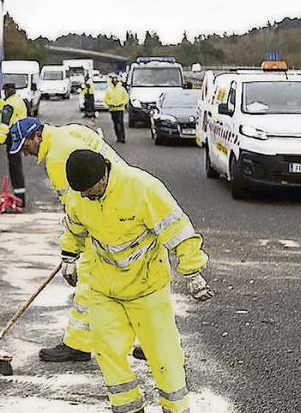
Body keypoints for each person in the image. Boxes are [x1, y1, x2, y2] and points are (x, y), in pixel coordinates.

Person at [60, 149, 214, 413]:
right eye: (80, 192)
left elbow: (177, 229)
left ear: (103, 176)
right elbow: (75, 227)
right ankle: (128, 408)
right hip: (103, 287)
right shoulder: (79, 196)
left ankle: (176, 408)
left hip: (146, 288)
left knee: (164, 356)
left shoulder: (142, 188)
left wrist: (192, 272)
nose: (84, 196)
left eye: (88, 189)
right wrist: (69, 257)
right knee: (107, 351)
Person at [9, 117, 126, 362]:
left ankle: (78, 345)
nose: (26, 153)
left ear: (37, 136)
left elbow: (75, 209)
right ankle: (145, 340)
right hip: (118, 201)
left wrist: (70, 252)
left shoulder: (58, 158)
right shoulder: (68, 131)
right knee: (128, 279)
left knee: (91, 277)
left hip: (109, 213)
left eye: (25, 146)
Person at [0, 81, 29, 207]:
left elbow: (4, 126)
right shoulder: (18, 101)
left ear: (6, 91)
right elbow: (9, 110)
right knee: (16, 166)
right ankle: (20, 196)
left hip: (12, 139)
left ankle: (19, 199)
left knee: (14, 168)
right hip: (19, 137)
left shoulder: (9, 105)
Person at [103, 76, 129, 143]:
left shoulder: (122, 89)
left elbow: (126, 98)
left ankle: (123, 137)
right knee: (115, 124)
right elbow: (106, 99)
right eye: (113, 81)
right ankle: (118, 137)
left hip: (120, 109)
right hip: (113, 109)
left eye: (116, 81)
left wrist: (122, 103)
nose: (114, 82)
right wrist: (110, 104)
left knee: (120, 123)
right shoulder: (108, 89)